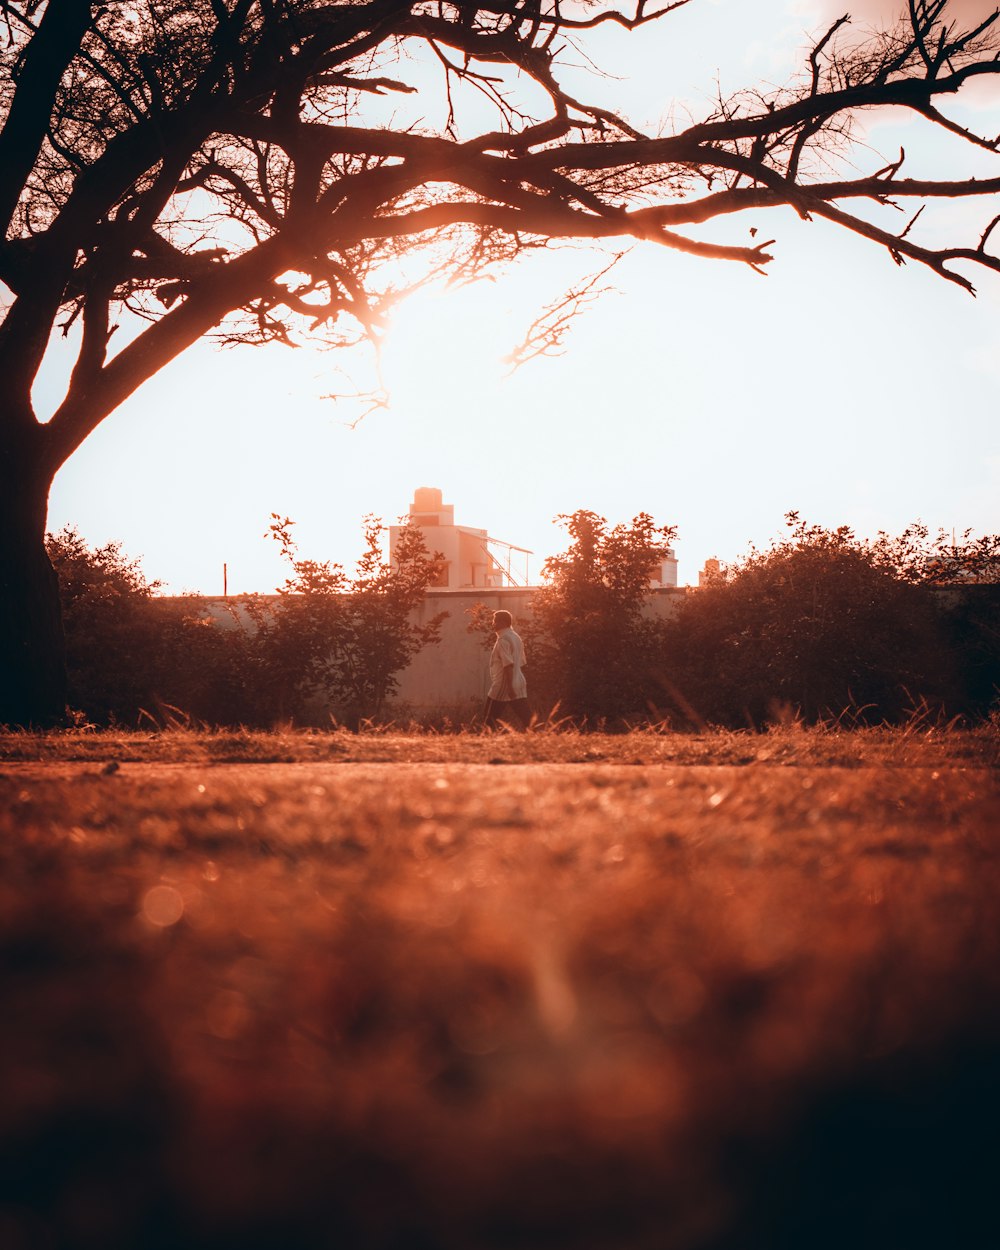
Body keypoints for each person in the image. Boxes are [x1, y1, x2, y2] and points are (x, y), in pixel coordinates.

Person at [483, 609, 530, 729]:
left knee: (489, 720)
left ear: (503, 622)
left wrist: (510, 687)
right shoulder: (515, 637)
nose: (493, 624)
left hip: (504, 684)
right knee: (527, 718)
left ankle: (486, 741)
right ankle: (538, 735)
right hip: (518, 680)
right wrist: (514, 683)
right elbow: (521, 662)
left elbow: (508, 665)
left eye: (495, 621)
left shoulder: (503, 640)